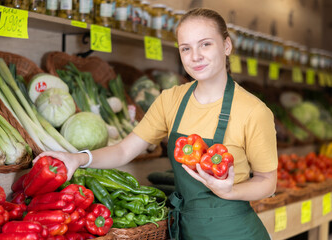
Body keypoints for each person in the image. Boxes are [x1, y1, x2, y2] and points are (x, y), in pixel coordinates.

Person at [34, 8, 278, 239]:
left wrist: (230, 191)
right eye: (185, 48)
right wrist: (77, 158)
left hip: (234, 232)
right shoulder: (171, 99)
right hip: (185, 229)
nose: (195, 56)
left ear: (226, 45)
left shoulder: (253, 111)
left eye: (205, 44)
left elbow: (268, 182)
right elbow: (123, 150)